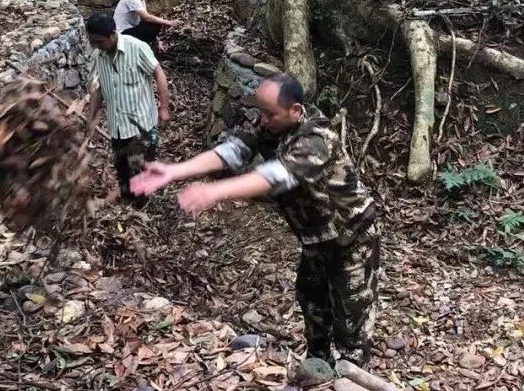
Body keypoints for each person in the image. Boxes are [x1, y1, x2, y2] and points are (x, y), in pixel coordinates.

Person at [131, 73, 380, 369]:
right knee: (312, 300)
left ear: (296, 110)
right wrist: (174, 171)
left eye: (270, 114)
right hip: (316, 238)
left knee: (350, 316)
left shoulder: (317, 138)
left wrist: (214, 192)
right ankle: (317, 368)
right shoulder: (273, 123)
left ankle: (353, 374)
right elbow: (234, 150)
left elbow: (275, 176)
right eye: (262, 112)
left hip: (351, 237)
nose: (263, 120)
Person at [85, 13, 171, 206]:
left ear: (112, 34)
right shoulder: (99, 56)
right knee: (122, 168)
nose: (96, 46)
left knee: (139, 170)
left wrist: (164, 108)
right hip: (117, 127)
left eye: (99, 41)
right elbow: (100, 90)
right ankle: (127, 202)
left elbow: (159, 74)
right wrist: (91, 118)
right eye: (92, 42)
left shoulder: (137, 47)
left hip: (140, 126)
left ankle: (141, 207)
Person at [113, 0, 180, 51]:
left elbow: (146, 20)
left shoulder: (141, 0)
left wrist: (157, 41)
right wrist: (169, 22)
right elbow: (147, 18)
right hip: (121, 35)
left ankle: (146, 47)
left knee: (153, 23)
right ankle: (143, 49)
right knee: (155, 24)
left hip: (130, 31)